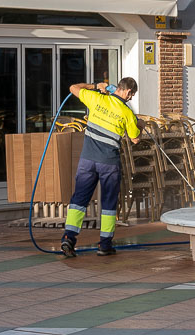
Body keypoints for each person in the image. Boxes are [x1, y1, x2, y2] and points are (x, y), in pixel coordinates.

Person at [59, 78, 142, 257]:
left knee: (79, 200)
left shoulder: (97, 99)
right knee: (109, 204)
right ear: (128, 92)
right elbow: (135, 139)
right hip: (109, 164)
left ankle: (68, 238)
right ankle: (104, 245)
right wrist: (139, 125)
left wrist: (96, 86)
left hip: (87, 161)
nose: (131, 98)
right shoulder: (127, 112)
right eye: (132, 95)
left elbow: (73, 86)